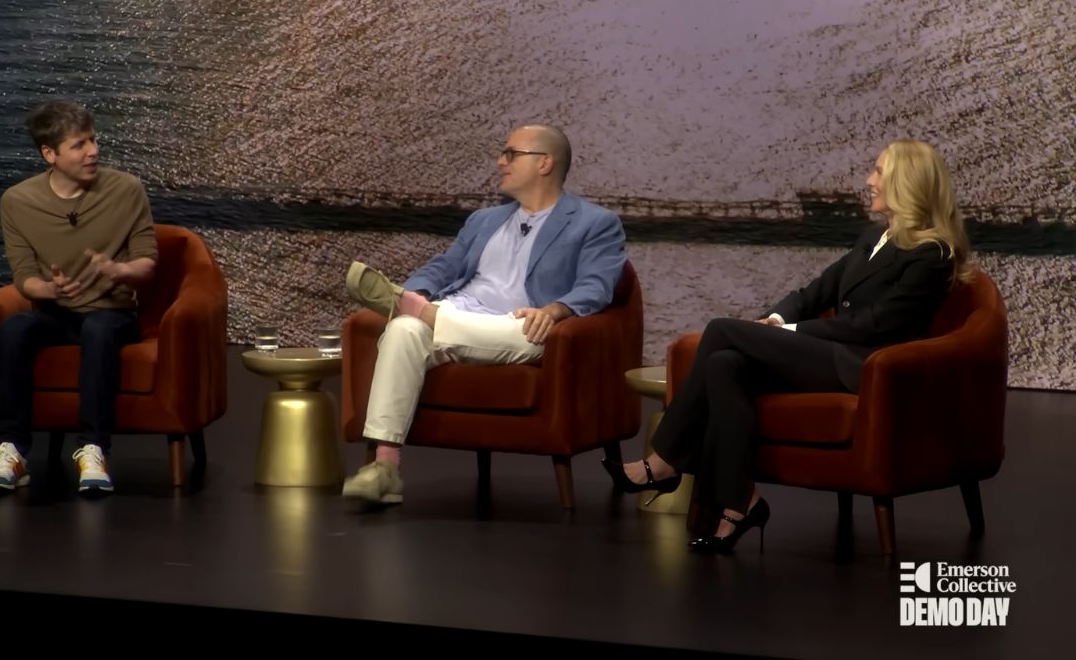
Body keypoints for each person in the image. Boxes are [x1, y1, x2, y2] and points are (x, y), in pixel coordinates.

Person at [603, 139, 971, 552]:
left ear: (905, 182)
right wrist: (777, 319)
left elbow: (873, 326)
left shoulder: (932, 254)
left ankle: (664, 462)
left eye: (879, 172)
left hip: (867, 367)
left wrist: (791, 332)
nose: (869, 180)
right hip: (833, 353)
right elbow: (816, 291)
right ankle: (739, 505)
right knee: (724, 363)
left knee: (721, 330)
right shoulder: (875, 236)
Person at [341, 124, 626, 504]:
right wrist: (418, 291)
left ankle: (419, 313)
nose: (500, 162)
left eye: (511, 154)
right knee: (403, 330)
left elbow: (597, 286)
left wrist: (555, 310)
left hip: (519, 325)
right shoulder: (484, 220)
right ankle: (385, 469)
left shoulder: (595, 223)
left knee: (518, 331)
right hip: (461, 310)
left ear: (544, 163)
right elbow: (445, 267)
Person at [0, 99, 158, 496]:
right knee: (14, 329)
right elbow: (24, 277)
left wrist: (119, 270)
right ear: (50, 154)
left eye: (93, 140)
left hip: (113, 314)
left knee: (98, 328)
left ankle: (93, 450)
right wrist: (50, 289)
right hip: (56, 314)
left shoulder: (126, 189)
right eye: (79, 145)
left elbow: (147, 263)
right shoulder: (18, 201)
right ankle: (12, 450)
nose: (93, 151)